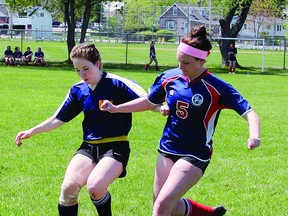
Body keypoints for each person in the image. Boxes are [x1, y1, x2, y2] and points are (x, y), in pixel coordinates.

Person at [100, 25, 261, 216]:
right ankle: (209, 214)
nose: (180, 67)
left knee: (161, 207)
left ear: (201, 60)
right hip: (167, 147)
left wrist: (254, 135)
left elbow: (250, 112)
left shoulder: (217, 87)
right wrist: (117, 108)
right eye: (178, 61)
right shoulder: (170, 78)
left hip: (195, 153)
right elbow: (148, 102)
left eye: (185, 63)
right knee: (166, 205)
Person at [15, 43, 147, 216]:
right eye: (77, 70)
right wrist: (32, 131)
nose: (82, 74)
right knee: (68, 188)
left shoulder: (116, 83)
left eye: (86, 68)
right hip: (89, 147)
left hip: (115, 147)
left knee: (95, 187)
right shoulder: (78, 90)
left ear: (97, 63)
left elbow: (147, 100)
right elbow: (58, 118)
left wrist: (161, 108)